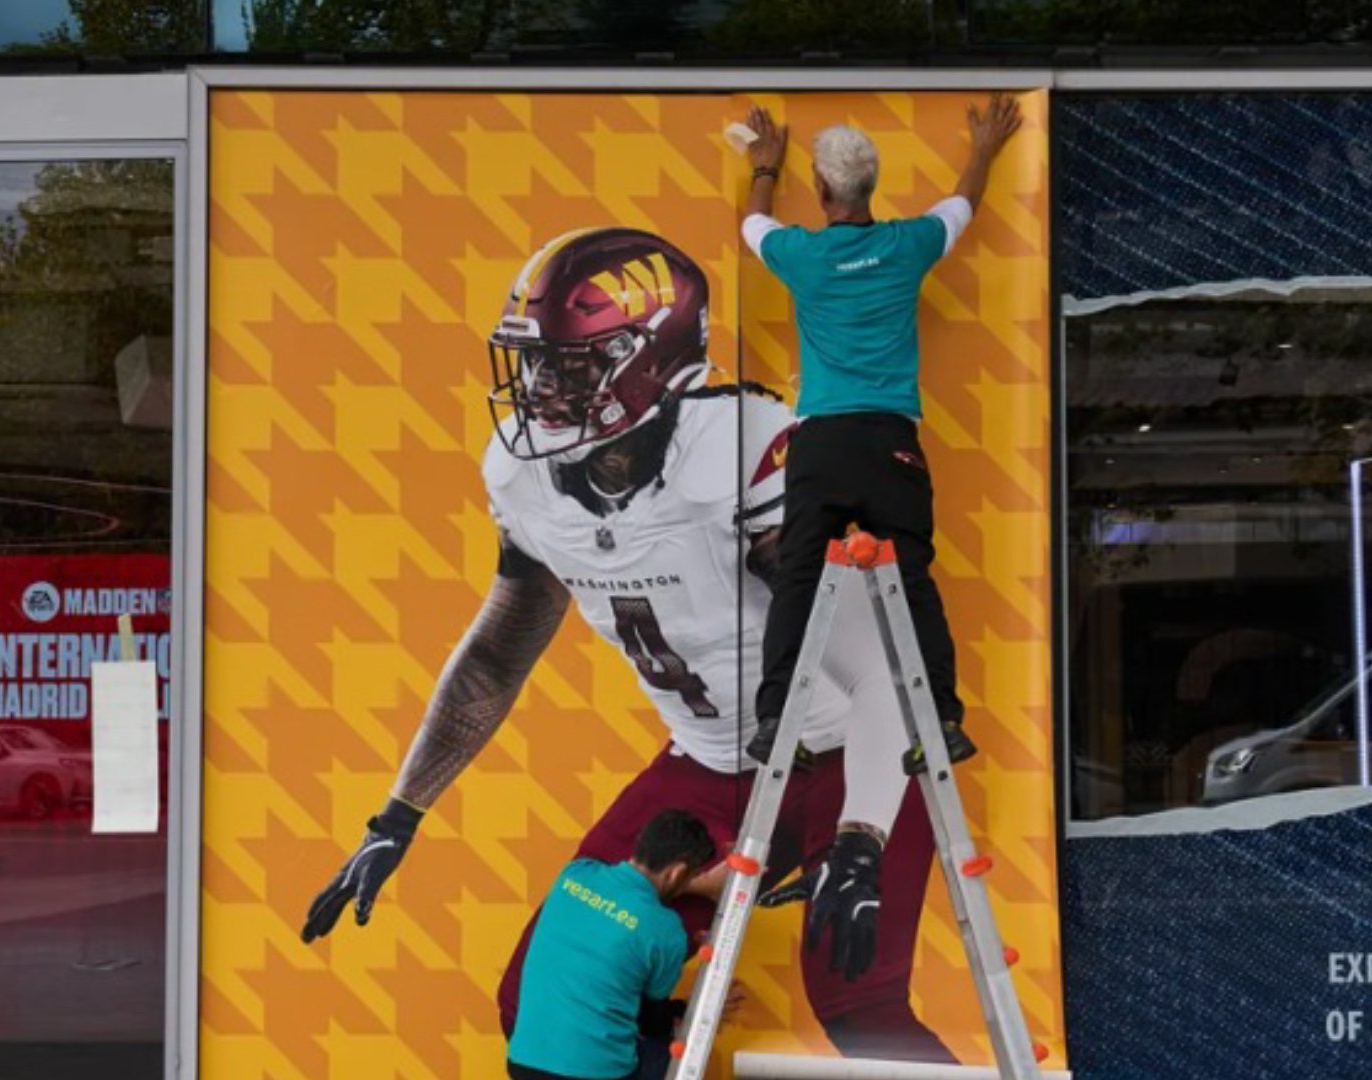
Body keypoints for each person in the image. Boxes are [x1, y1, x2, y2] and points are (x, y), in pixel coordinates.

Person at [301, 226, 957, 1063]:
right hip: (711, 758)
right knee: (535, 990)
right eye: (535, 362)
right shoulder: (523, 474)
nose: (540, 388)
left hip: (845, 751)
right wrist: (398, 816)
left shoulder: (742, 449)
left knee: (859, 1006)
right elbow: (500, 652)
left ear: (651, 360)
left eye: (570, 365)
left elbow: (879, 674)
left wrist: (862, 837)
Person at [740, 95, 1024, 781]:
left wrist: (764, 168)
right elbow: (963, 205)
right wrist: (984, 146)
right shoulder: (906, 245)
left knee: (798, 578)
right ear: (871, 185)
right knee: (914, 577)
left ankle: (776, 713)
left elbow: (751, 223)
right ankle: (944, 723)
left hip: (822, 444)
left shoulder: (800, 255)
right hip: (892, 443)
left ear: (822, 188)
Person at [507, 810, 723, 1080]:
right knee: (671, 1053)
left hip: (524, 1063)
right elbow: (652, 1022)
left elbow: (625, 891)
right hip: (595, 1074)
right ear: (677, 872)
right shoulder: (665, 929)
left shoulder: (574, 875)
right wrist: (686, 1009)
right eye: (692, 875)